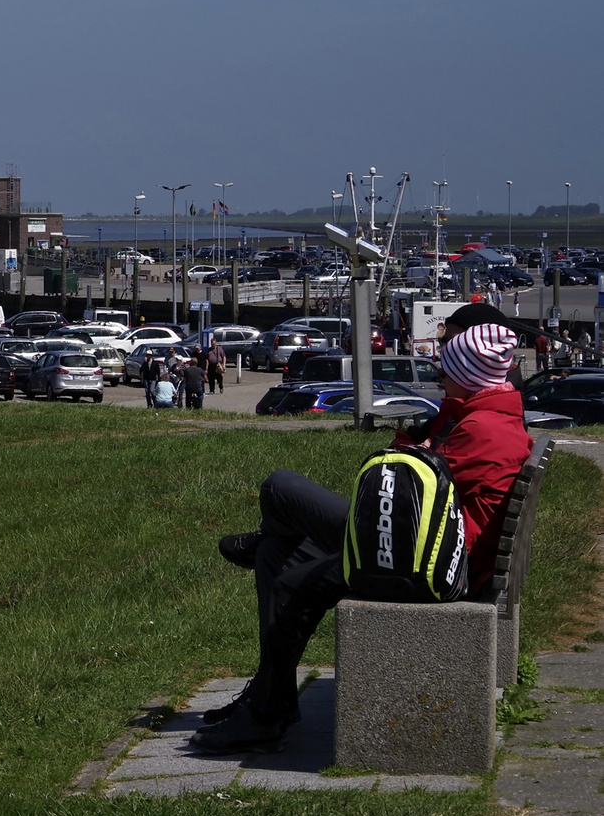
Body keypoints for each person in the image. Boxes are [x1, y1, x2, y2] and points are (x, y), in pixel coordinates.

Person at [193, 322, 531, 752]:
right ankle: (267, 702)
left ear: (468, 374)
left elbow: (411, 483)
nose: (440, 377)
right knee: (281, 557)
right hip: (421, 543)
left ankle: (266, 706)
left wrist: (416, 445)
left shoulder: (484, 429)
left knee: (281, 488)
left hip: (424, 558)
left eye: (447, 370)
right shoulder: (482, 417)